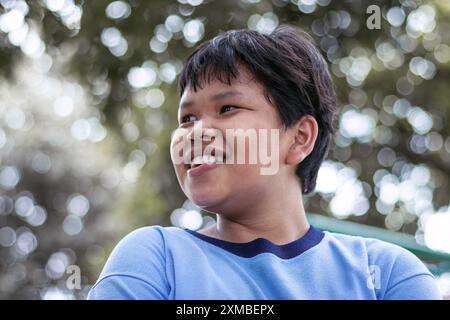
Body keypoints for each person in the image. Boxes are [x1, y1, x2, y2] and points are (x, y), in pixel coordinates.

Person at [87, 25, 442, 300]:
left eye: (227, 108)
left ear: (299, 137)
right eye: (187, 118)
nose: (194, 133)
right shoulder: (155, 258)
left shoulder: (388, 273)